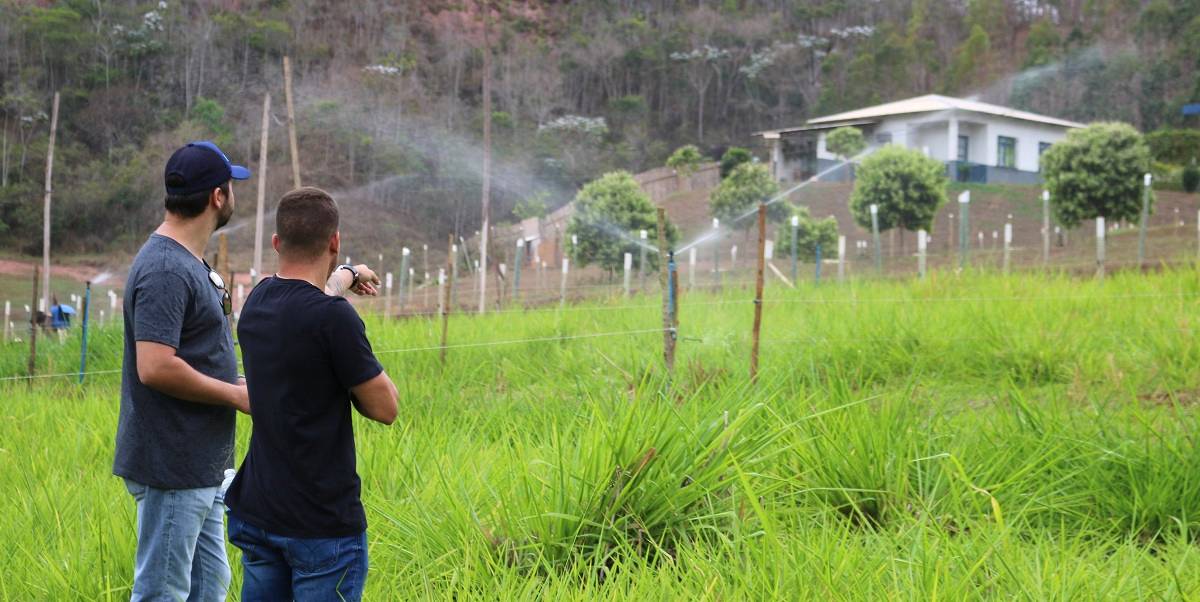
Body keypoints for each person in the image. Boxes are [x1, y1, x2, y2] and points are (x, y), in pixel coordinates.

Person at [225, 186, 398, 601]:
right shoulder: (334, 320)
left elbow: (312, 295)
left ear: (276, 243)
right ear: (334, 241)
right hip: (320, 525)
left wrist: (349, 273)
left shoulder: (258, 302)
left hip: (260, 512)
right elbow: (385, 407)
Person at [113, 140, 251, 601]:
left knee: (209, 586)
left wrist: (236, 383)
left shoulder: (186, 261)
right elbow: (155, 367)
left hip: (201, 463)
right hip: (173, 463)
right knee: (163, 593)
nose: (233, 195)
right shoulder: (167, 268)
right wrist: (233, 395)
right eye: (231, 185)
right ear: (217, 196)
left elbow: (190, 356)